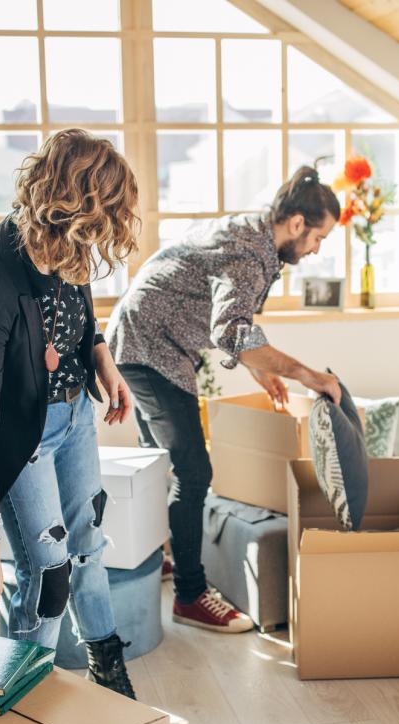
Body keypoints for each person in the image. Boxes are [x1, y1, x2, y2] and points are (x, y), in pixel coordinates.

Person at [107, 165, 343, 634]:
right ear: (297, 223)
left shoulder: (255, 236)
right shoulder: (250, 254)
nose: (317, 249)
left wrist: (259, 368)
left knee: (165, 464)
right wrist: (308, 376)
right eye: (319, 237)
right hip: (148, 346)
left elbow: (226, 316)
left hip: (148, 338)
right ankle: (191, 596)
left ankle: (161, 556)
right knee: (194, 471)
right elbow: (230, 329)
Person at [0, 129, 138, 698]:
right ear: (71, 206)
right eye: (103, 217)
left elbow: (79, 304)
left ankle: (108, 673)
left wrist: (102, 359)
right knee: (48, 570)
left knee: (88, 546)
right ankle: (25, 694)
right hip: (20, 436)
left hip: (75, 414)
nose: (103, 236)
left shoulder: (67, 244)